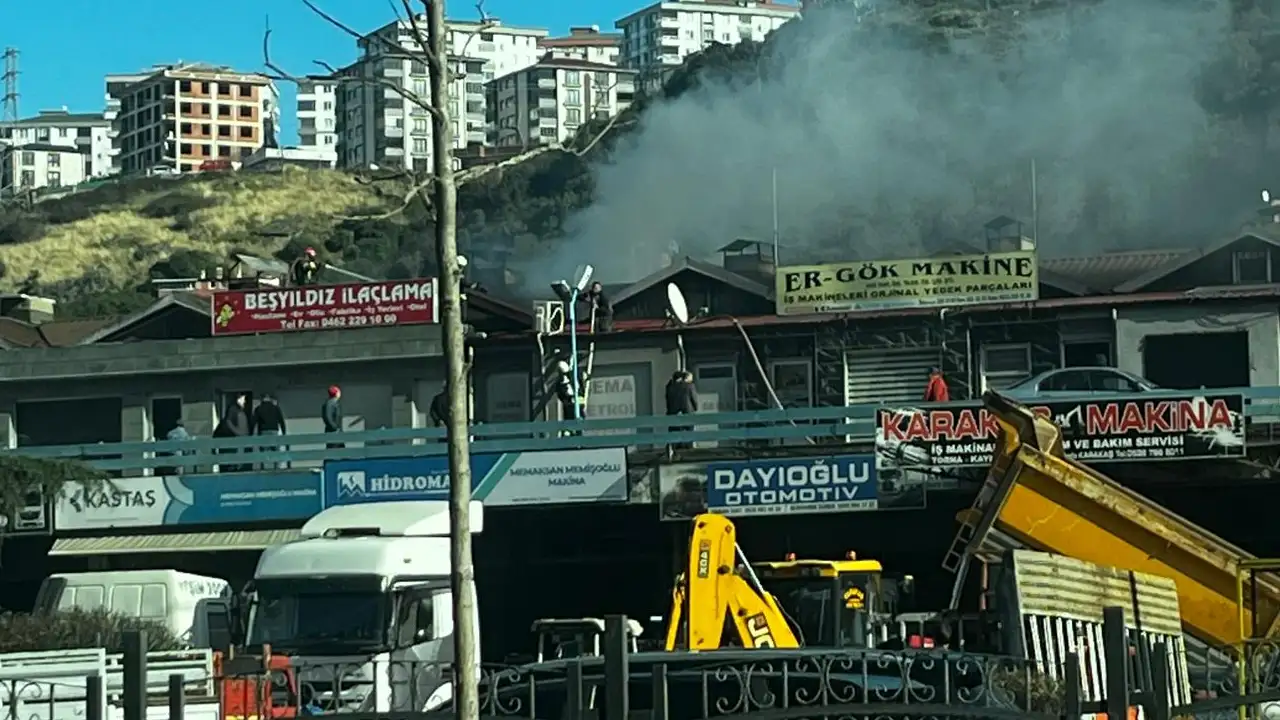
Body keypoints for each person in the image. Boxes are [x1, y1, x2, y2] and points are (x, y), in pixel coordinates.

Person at [214, 394, 251, 472]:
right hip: (234, 455)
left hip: (225, 456)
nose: (245, 401)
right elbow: (243, 434)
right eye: (243, 399)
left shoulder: (224, 422)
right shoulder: (238, 415)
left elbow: (215, 435)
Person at [253, 393, 288, 469]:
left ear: (262, 399)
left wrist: (250, 434)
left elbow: (253, 422)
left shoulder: (259, 409)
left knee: (264, 451)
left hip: (263, 431)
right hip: (274, 431)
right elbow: (281, 421)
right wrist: (284, 433)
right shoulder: (276, 408)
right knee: (275, 450)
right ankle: (276, 467)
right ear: (270, 399)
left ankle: (263, 467)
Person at [666, 370, 698, 451]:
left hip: (673, 414)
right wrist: (695, 408)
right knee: (689, 431)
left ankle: (673, 449)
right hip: (687, 412)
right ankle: (688, 448)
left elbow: (668, 401)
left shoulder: (669, 387)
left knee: (674, 433)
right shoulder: (689, 386)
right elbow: (694, 399)